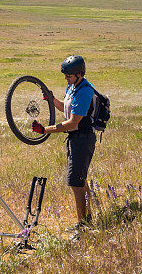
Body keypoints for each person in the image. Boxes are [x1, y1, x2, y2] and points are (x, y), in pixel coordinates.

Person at [32, 55, 96, 230]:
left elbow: (73, 122)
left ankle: (82, 225)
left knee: (76, 184)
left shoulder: (84, 91)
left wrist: (46, 129)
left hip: (83, 139)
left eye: (69, 76)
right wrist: (53, 100)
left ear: (79, 74)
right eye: (65, 76)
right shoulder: (72, 87)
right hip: (75, 139)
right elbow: (66, 108)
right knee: (81, 180)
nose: (66, 79)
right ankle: (88, 218)